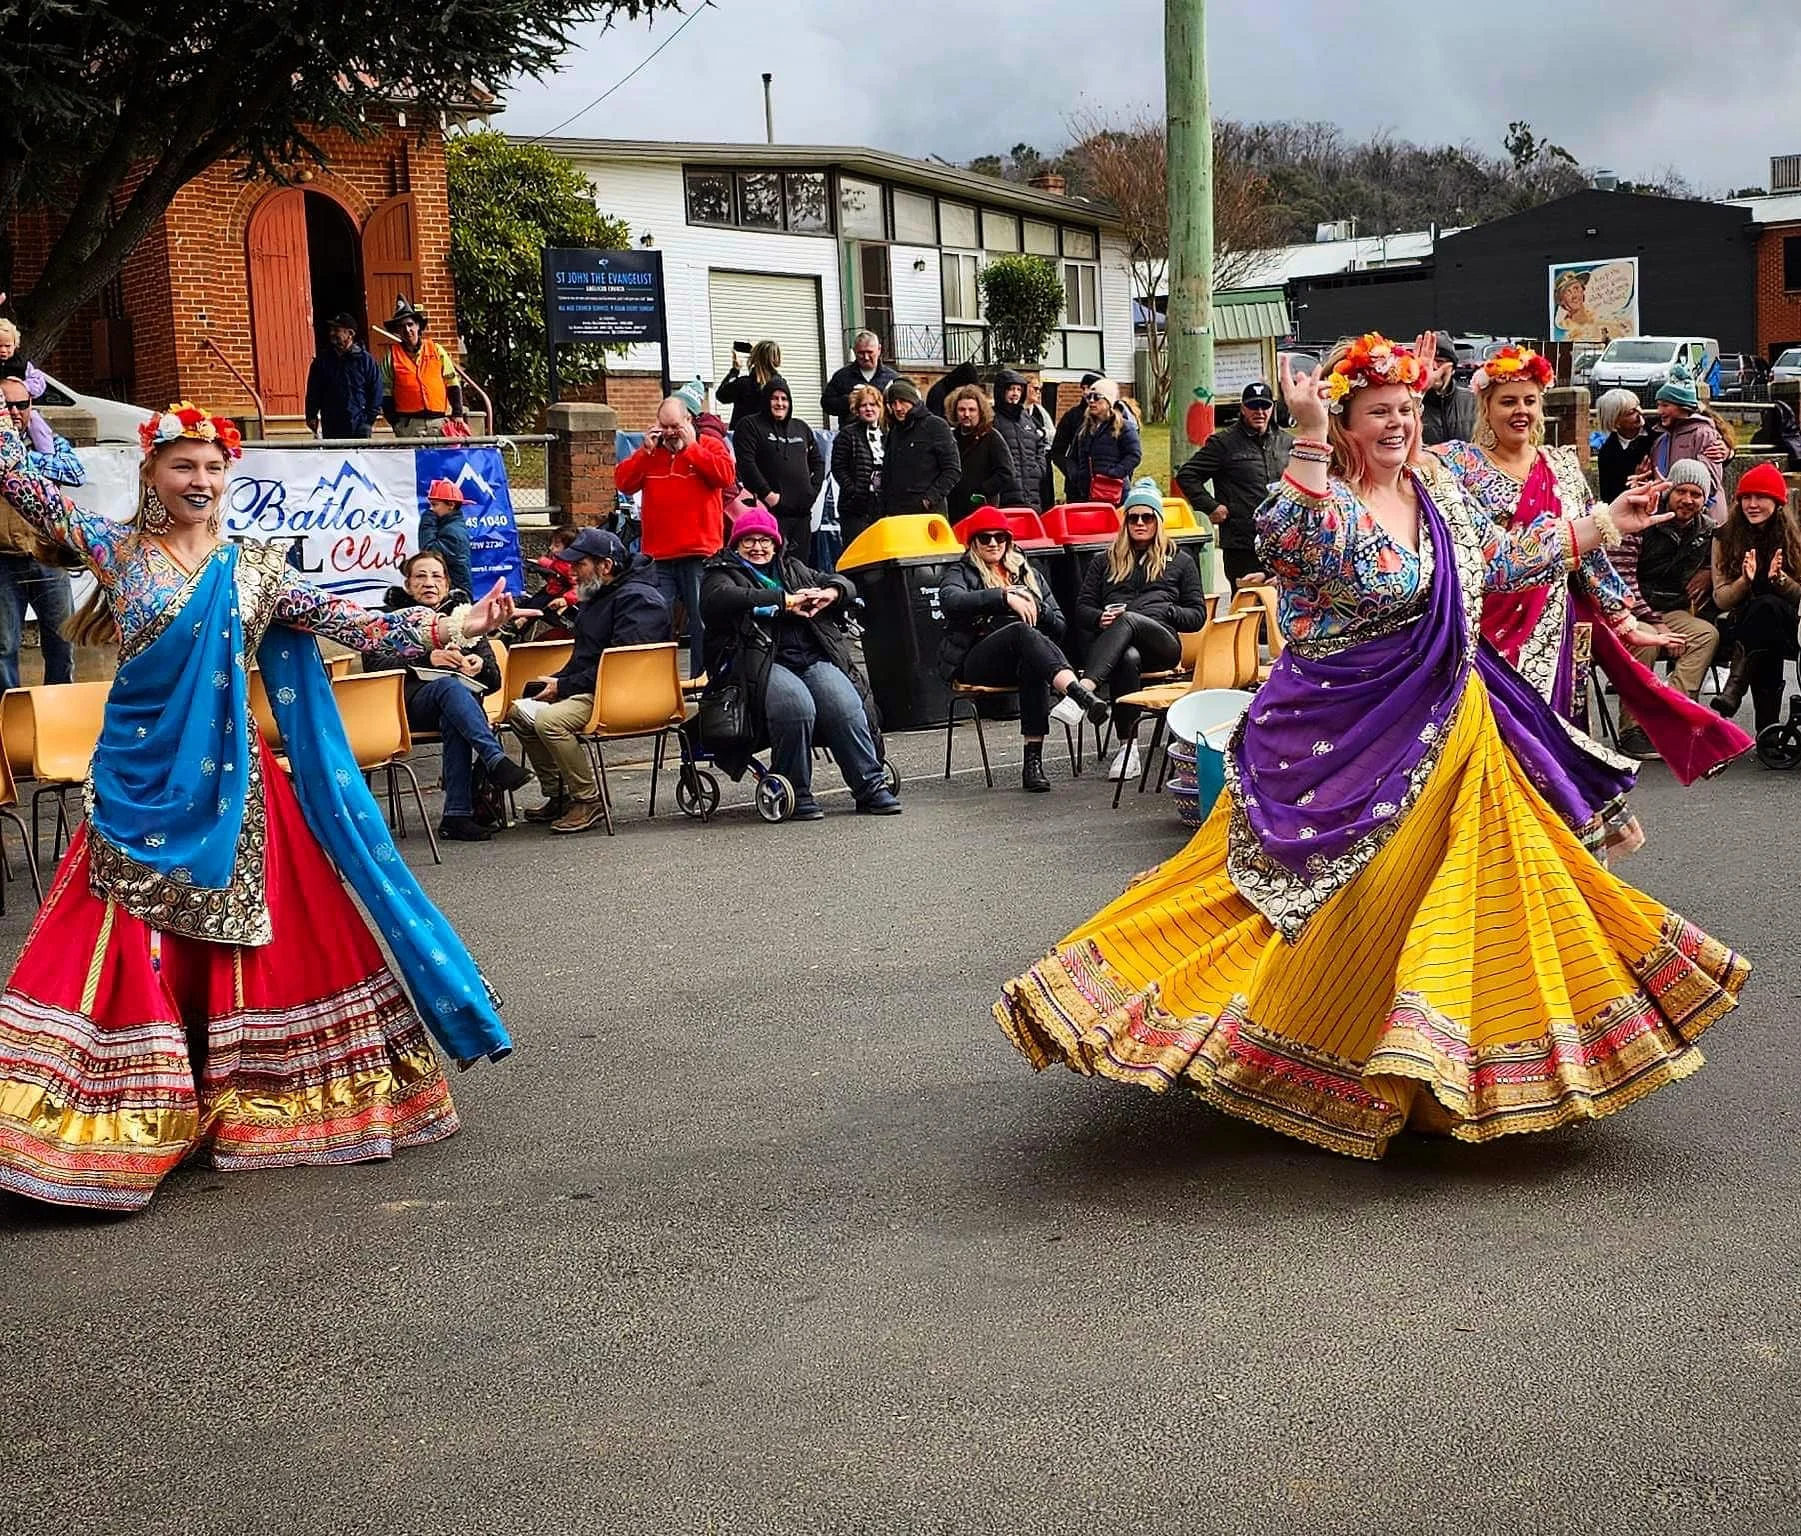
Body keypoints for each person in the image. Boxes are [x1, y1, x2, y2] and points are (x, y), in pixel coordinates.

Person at [995, 333, 1745, 1161]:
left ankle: (1442, 1064)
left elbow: (1495, 560)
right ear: (1346, 425)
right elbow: (1287, 538)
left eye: (1406, 409)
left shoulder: (1438, 493)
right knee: (1325, 899)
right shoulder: (1321, 502)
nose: (1397, 424)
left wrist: (1601, 524)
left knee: (1477, 886)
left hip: (1451, 718)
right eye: (1378, 412)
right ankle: (1294, 1039)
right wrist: (1309, 434)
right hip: (1339, 734)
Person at [0, 400, 526, 1211]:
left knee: (255, 939)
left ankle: (240, 1099)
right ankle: (101, 1119)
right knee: (119, 938)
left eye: (213, 467)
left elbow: (352, 622)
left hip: (233, 785)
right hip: (139, 778)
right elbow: (29, 491)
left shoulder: (256, 569)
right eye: (183, 465)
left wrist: (448, 626)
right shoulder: (117, 549)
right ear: (151, 473)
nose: (200, 480)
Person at [1434, 344, 1748, 783]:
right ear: (1485, 407)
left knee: (1553, 746)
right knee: (1489, 747)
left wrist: (1625, 620)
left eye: (1529, 400)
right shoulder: (1458, 464)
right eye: (1508, 402)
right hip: (1486, 628)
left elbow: (1592, 553)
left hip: (1555, 623)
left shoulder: (1561, 467)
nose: (1520, 411)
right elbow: (1403, 465)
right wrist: (1417, 394)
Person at [698, 507, 899, 820]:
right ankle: (796, 790)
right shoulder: (720, 572)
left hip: (809, 657)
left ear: (776, 544)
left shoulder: (792, 567)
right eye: (749, 540)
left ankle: (870, 786)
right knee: (796, 704)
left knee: (845, 704)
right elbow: (720, 599)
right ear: (736, 544)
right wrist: (783, 601)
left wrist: (832, 592)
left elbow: (843, 583)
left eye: (765, 540)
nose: (757, 547)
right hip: (757, 664)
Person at [508, 528, 672, 834]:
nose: (571, 571)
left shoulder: (638, 599)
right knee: (519, 712)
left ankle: (588, 799)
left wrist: (563, 687)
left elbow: (623, 667)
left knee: (550, 722)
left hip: (627, 695)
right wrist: (556, 682)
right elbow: (586, 659)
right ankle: (560, 794)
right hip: (598, 688)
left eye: (579, 564)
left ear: (605, 566)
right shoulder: (599, 594)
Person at [937, 505, 1108, 793]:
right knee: (1021, 632)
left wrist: (1036, 605)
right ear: (973, 543)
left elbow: (1060, 625)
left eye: (1000, 537)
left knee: (1033, 661)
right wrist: (1003, 597)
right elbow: (951, 601)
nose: (993, 543)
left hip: (1022, 658)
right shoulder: (960, 571)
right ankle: (1078, 694)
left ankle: (1033, 764)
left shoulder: (1028, 573)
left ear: (1009, 541)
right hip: (978, 660)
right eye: (985, 538)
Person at [372, 550, 531, 842]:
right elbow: (375, 665)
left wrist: (478, 666)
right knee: (449, 688)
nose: (429, 583)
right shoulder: (391, 620)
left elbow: (494, 681)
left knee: (454, 706)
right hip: (406, 706)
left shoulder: (464, 619)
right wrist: (426, 659)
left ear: (446, 584)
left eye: (436, 576)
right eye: (420, 576)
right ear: (407, 585)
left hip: (459, 708)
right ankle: (495, 758)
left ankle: (456, 816)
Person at [1065, 478, 1209, 780]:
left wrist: (1166, 610)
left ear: (1158, 521)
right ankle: (1127, 748)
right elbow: (1082, 609)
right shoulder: (1104, 560)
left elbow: (1197, 616)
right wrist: (1099, 618)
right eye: (1133, 518)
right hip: (1117, 647)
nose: (1140, 523)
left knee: (1128, 619)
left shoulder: (1180, 560)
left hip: (1163, 644)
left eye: (1147, 517)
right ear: (1125, 522)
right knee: (1127, 656)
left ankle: (1084, 689)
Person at [616, 393, 734, 676]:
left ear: (688, 420)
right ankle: (657, 682)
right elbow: (624, 483)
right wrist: (643, 452)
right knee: (655, 620)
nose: (669, 433)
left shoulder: (709, 445)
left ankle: (704, 682)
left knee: (703, 621)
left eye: (675, 426)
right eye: (664, 426)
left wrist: (692, 448)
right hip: (659, 555)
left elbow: (725, 477)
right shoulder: (651, 453)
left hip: (700, 553)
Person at [1625, 461, 1721, 756]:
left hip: (1672, 609)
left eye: (1696, 494)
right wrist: (1656, 624)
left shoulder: (1707, 530)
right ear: (1670, 491)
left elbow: (1726, 557)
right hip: (1633, 609)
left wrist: (1708, 570)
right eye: (1682, 491)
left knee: (1706, 635)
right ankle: (1633, 727)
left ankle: (1674, 715)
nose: (1688, 500)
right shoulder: (1644, 521)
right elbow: (1625, 579)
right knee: (1646, 642)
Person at [1710, 461, 1801, 735]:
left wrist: (1780, 580)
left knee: (1768, 608)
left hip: (1791, 626)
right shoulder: (1724, 537)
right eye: (1746, 497)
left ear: (1777, 502)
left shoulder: (1793, 539)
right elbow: (1721, 599)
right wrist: (1743, 582)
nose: (1752, 504)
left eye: (1760, 497)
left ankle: (1734, 689)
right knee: (1762, 621)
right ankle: (1767, 733)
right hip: (1741, 626)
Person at [0, 367, 77, 687]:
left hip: (49, 555)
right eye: (7, 405)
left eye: (23, 404)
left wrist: (19, 461)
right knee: (3, 647)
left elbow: (75, 471)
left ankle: (59, 709)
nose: (15, 412)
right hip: (4, 558)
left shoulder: (49, 442)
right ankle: (7, 712)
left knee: (63, 641)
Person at [1175, 380, 1292, 588]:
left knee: (1283, 602)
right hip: (1242, 544)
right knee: (1247, 601)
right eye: (1253, 406)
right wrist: (1211, 506)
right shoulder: (1223, 443)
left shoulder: (1287, 442)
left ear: (1272, 407)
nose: (1259, 412)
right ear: (1243, 408)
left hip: (1282, 542)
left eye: (1264, 406)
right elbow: (1187, 475)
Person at [732, 374, 824, 554]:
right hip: (768, 513)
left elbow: (818, 462)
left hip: (801, 514)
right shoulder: (749, 425)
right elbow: (747, 464)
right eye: (774, 398)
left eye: (784, 399)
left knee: (799, 567)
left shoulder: (801, 427)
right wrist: (768, 495)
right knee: (771, 563)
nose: (780, 403)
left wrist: (812, 492)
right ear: (766, 400)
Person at [1649, 368, 1730, 514]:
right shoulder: (1660, 441)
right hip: (1673, 517)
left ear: (1683, 406)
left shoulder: (1703, 435)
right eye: (1658, 405)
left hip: (1704, 517)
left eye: (1665, 405)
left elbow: (1711, 484)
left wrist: (1670, 488)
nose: (1659, 411)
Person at [381, 298, 465, 438]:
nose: (407, 330)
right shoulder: (391, 357)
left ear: (418, 326)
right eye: (402, 326)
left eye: (410, 324)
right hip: (408, 425)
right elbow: (385, 391)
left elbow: (452, 382)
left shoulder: (437, 350)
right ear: (397, 330)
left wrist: (457, 413)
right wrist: (395, 422)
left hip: (439, 423)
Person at [1056, 378, 1141, 505]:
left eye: (1096, 397)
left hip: (1114, 494)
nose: (1091, 401)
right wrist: (1077, 476)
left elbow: (1134, 455)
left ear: (1109, 401)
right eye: (1089, 397)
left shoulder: (1124, 427)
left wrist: (1114, 473)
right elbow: (1073, 457)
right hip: (1086, 495)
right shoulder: (1084, 429)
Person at [304, 313, 383, 439]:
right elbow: (313, 391)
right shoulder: (321, 361)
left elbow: (376, 391)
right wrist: (311, 415)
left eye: (337, 330)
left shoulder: (366, 361)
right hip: (331, 426)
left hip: (359, 426)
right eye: (331, 330)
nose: (332, 333)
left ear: (350, 334)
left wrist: (368, 420)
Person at [945, 383, 1019, 516]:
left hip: (982, 509)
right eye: (961, 409)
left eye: (972, 410)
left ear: (980, 411)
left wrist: (982, 491)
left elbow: (1006, 472)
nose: (966, 414)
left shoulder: (992, 437)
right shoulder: (951, 438)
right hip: (954, 509)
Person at [830, 384, 886, 548]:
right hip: (855, 508)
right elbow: (838, 467)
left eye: (873, 404)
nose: (868, 409)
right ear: (857, 409)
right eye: (864, 405)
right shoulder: (847, 434)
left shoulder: (888, 433)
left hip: (882, 507)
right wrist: (853, 490)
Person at [992, 369, 1050, 514]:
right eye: (1011, 389)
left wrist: (1039, 469)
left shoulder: (1027, 418)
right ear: (1001, 391)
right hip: (1005, 493)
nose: (1015, 393)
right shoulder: (992, 418)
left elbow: (1039, 444)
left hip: (1031, 491)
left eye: (1019, 389)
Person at [821, 330, 898, 427]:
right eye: (861, 353)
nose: (866, 357)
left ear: (879, 349)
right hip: (850, 433)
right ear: (854, 351)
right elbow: (826, 404)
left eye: (870, 352)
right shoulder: (842, 376)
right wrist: (848, 400)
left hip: (883, 433)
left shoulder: (892, 378)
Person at [418, 477, 475, 596]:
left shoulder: (452, 532)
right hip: (451, 591)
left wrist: (427, 520)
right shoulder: (450, 527)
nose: (431, 509)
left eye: (435, 505)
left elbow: (429, 553)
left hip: (454, 595)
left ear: (451, 505)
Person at [1048, 372, 1103, 494]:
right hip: (1077, 487)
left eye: (1091, 388)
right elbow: (1057, 452)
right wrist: (1072, 472)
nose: (1086, 392)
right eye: (1083, 388)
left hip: (1106, 485)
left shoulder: (1112, 418)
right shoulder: (1072, 416)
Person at [1419, 330, 1477, 446]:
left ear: (1453, 369)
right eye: (1429, 362)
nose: (1434, 367)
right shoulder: (1411, 405)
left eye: (1440, 361)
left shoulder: (1473, 401)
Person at [1595, 389, 1654, 502]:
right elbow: (1609, 497)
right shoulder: (1608, 453)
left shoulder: (1656, 433)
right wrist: (1634, 479)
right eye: (1631, 412)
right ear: (1616, 422)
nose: (1640, 412)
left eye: (1638, 407)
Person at [716, 339, 781, 428]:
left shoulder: (743, 384)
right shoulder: (780, 385)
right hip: (770, 434)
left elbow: (721, 395)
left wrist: (734, 371)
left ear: (753, 358)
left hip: (744, 433)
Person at [0, 319, 47, 401]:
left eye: (8, 346)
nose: (3, 350)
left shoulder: (23, 365)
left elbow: (38, 382)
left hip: (16, 405)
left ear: (15, 345)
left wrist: (23, 385)